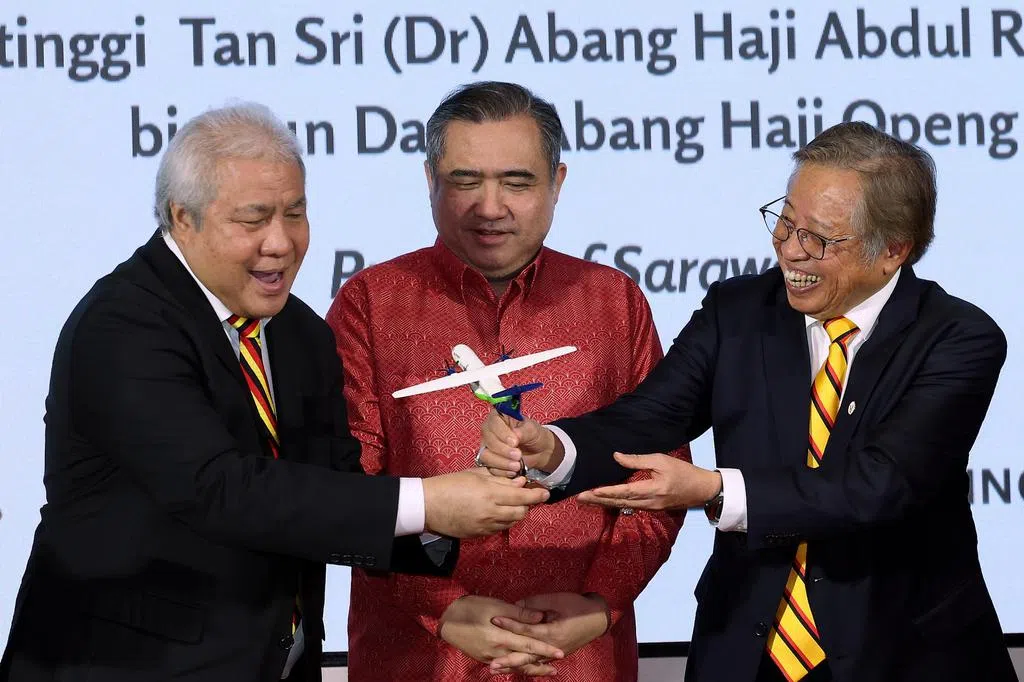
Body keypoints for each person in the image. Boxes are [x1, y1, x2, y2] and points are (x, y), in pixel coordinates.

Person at [0, 103, 555, 682]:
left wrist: (458, 512)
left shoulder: (299, 332)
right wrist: (428, 502)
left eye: (295, 213)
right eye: (253, 219)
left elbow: (331, 485)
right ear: (182, 218)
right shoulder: (123, 325)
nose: (281, 243)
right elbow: (220, 489)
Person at [480, 121, 1016, 682]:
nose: (789, 250)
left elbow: (880, 485)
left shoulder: (958, 339)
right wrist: (554, 447)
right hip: (746, 651)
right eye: (785, 221)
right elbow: (649, 416)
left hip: (904, 655)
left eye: (820, 239)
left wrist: (714, 489)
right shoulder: (737, 311)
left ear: (892, 251)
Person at [326, 81, 688, 680]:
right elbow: (348, 492)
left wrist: (601, 602)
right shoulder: (370, 304)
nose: (490, 207)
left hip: (579, 659)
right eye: (465, 181)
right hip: (421, 658)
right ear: (429, 181)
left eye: (517, 182)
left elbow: (659, 478)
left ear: (557, 183)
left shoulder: (614, 303)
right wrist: (440, 607)